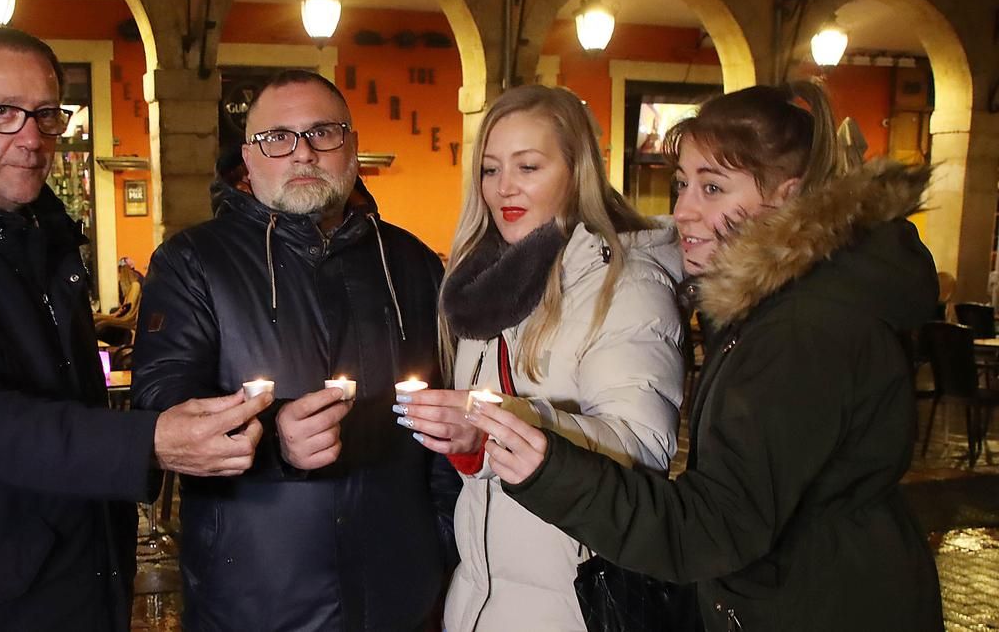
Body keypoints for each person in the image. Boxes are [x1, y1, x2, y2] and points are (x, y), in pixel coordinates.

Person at [0, 26, 272, 631]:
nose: (31, 138)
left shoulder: (39, 229)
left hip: (77, 569)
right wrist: (143, 443)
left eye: (45, 114)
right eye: (1, 114)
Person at [463, 82, 946, 631]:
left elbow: (716, 527)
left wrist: (548, 467)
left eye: (713, 188)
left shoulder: (803, 328)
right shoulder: (775, 309)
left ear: (788, 198)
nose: (683, 212)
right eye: (682, 184)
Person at [132, 69, 461, 630]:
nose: (302, 153)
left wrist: (441, 541)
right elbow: (161, 410)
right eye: (278, 137)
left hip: (400, 593)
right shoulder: (194, 263)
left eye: (323, 133)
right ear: (249, 156)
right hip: (255, 593)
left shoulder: (413, 264)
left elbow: (447, 419)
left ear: (353, 147)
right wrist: (273, 442)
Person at [392, 85, 686, 631]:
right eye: (489, 169)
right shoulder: (481, 291)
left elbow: (644, 453)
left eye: (528, 166)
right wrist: (471, 443)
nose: (504, 187)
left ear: (577, 172)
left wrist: (509, 422)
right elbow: (485, 473)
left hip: (575, 605)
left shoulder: (626, 283)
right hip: (479, 603)